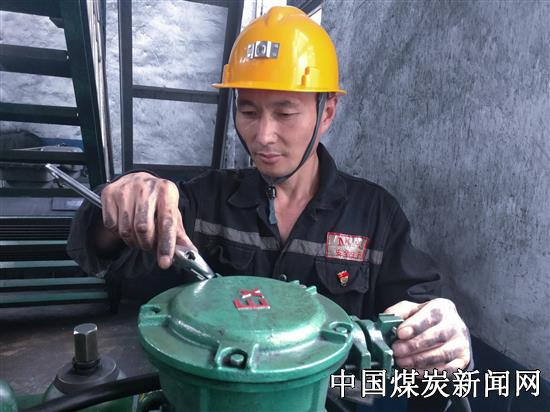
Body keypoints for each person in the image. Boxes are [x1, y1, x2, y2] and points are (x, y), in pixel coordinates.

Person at [67, 6, 471, 411]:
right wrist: (122, 204)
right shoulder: (207, 200)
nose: (263, 136)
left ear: (327, 113)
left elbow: (423, 317)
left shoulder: (375, 216)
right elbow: (99, 250)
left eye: (285, 112)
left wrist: (444, 333)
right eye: (248, 111)